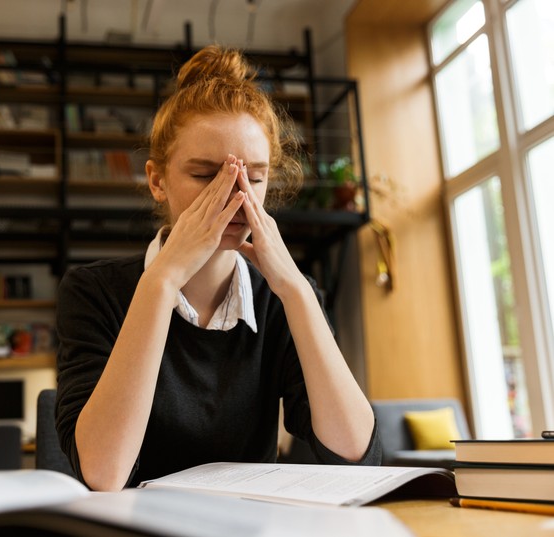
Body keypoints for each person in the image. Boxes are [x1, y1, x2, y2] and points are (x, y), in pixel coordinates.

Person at [55, 44, 381, 492]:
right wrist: (163, 281)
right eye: (208, 175)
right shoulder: (93, 291)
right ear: (157, 181)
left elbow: (354, 452)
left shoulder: (282, 298)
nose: (233, 198)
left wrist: (296, 290)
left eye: (256, 178)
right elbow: (102, 473)